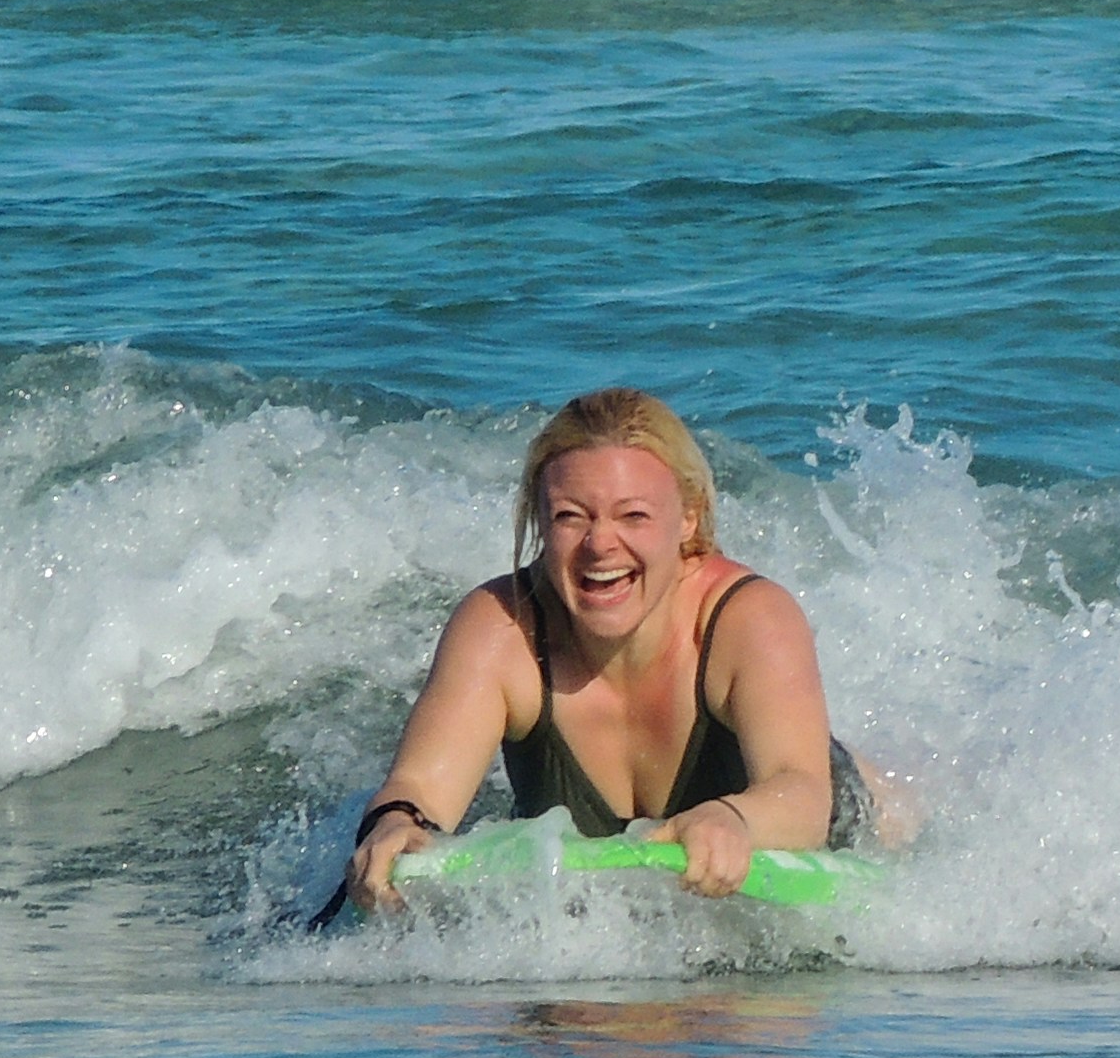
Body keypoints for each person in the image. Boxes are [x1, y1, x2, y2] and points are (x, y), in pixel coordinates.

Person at [323, 388, 876, 920]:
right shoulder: (502, 627)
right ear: (540, 520)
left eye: (633, 516)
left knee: (891, 811)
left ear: (687, 518)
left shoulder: (747, 618)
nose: (600, 544)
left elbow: (802, 794)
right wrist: (395, 824)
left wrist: (732, 817)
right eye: (570, 516)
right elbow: (419, 788)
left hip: (816, 804)